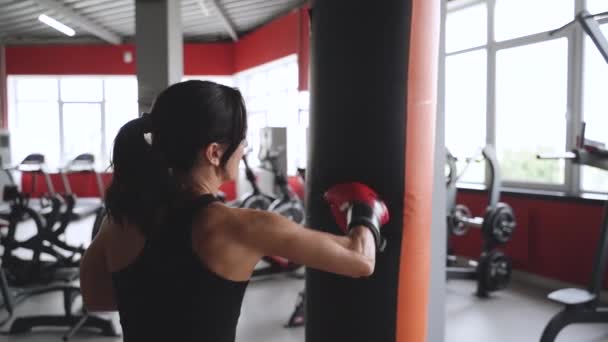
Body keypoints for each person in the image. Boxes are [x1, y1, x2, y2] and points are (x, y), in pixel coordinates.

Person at [80, 80, 389, 342]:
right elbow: (360, 260)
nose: (243, 150)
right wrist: (363, 211)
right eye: (241, 141)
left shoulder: (120, 220)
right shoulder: (241, 227)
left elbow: (97, 297)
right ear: (215, 152)